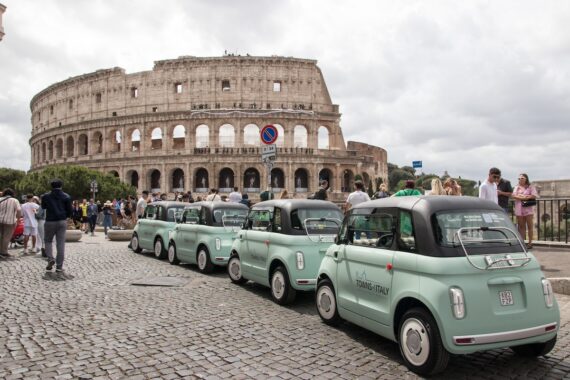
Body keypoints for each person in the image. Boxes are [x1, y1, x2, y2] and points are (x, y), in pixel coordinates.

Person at [42, 179, 72, 272]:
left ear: (51, 186)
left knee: (48, 241)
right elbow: (70, 211)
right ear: (61, 186)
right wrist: (66, 217)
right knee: (60, 243)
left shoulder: (45, 196)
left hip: (50, 220)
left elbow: (43, 207)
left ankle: (50, 259)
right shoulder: (66, 196)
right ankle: (59, 266)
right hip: (62, 221)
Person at [512, 173, 539, 249]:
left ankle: (530, 243)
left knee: (530, 226)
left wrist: (522, 197)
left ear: (526, 179)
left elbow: (534, 195)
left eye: (522, 178)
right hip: (519, 209)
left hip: (528, 209)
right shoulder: (516, 187)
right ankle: (522, 242)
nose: (520, 179)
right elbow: (513, 195)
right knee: (521, 226)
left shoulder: (530, 187)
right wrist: (525, 197)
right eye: (519, 178)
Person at [0, 188, 22, 258]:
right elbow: (19, 210)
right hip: (10, 222)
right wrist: (18, 219)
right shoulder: (15, 200)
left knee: (0, 236)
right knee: (6, 237)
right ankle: (4, 252)